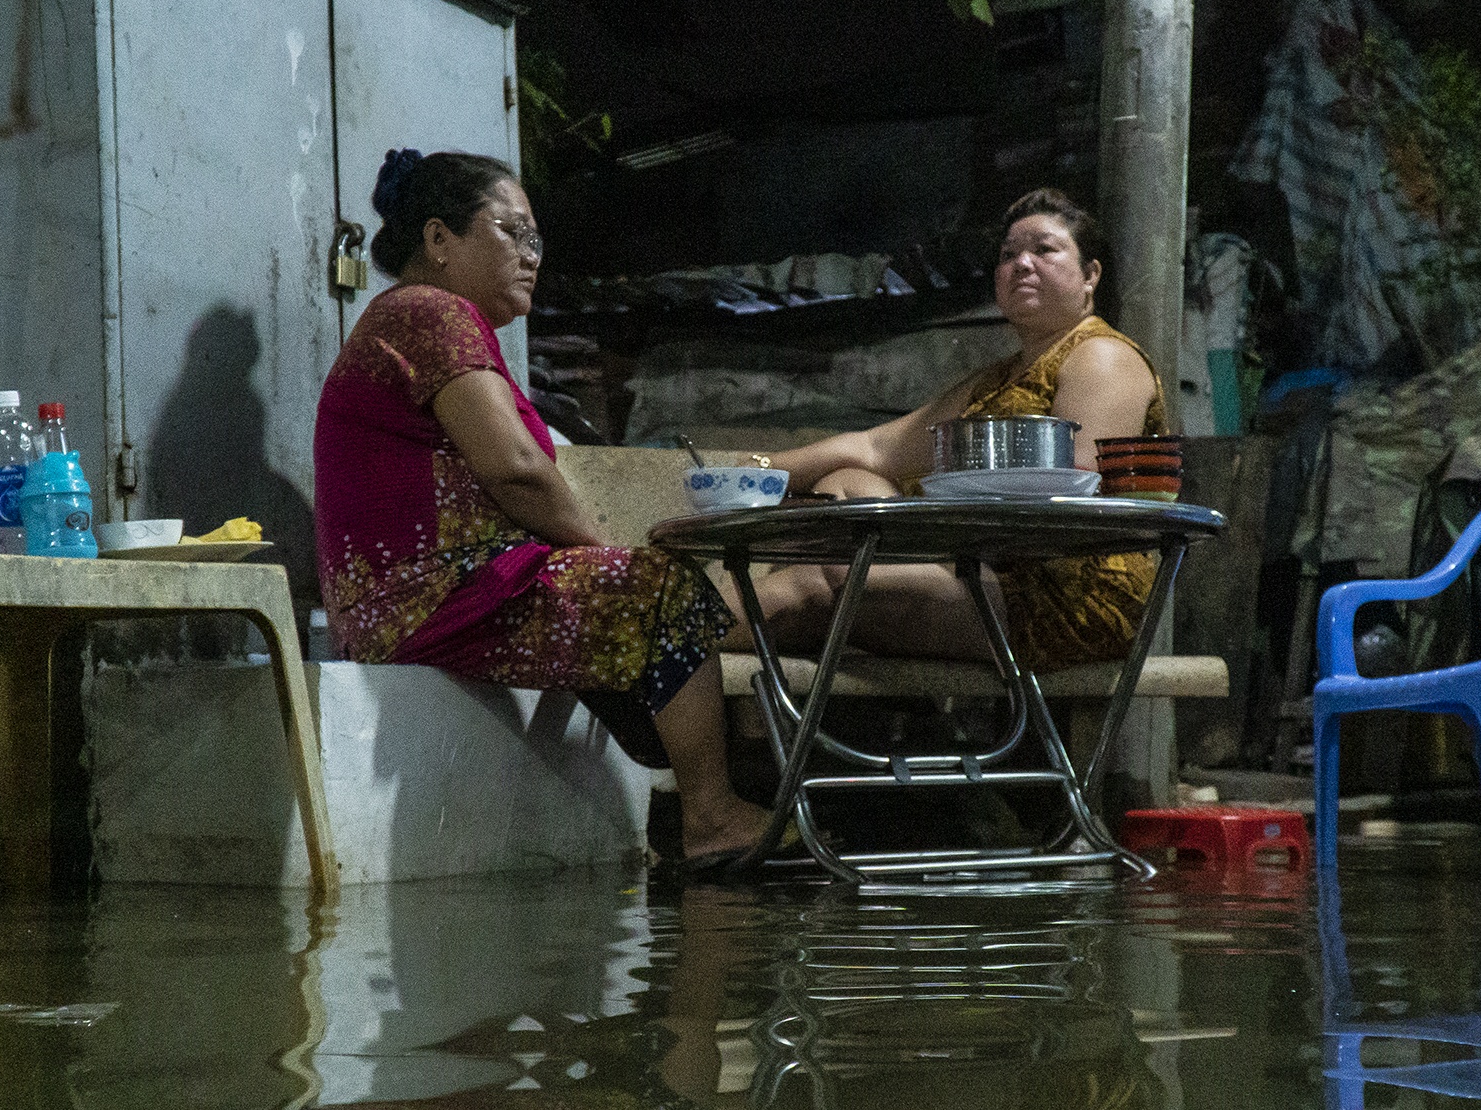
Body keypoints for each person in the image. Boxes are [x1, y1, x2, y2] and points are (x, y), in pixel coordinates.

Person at [312, 149, 766, 869]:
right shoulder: (430, 314)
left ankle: (721, 796)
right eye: (511, 232)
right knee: (662, 590)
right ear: (438, 240)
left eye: (536, 240)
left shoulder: (430, 322)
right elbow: (516, 471)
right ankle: (711, 817)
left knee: (691, 604)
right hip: (425, 597)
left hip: (439, 591)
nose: (531, 256)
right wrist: (601, 549)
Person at [724, 188, 1166, 668]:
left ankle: (680, 626)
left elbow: (1065, 509)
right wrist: (759, 470)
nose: (1021, 264)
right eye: (1007, 255)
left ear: (1090, 276)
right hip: (983, 569)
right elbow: (875, 448)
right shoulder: (996, 379)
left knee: (832, 572)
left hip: (1065, 596)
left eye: (1044, 249)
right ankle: (682, 630)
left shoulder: (1101, 356)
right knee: (844, 487)